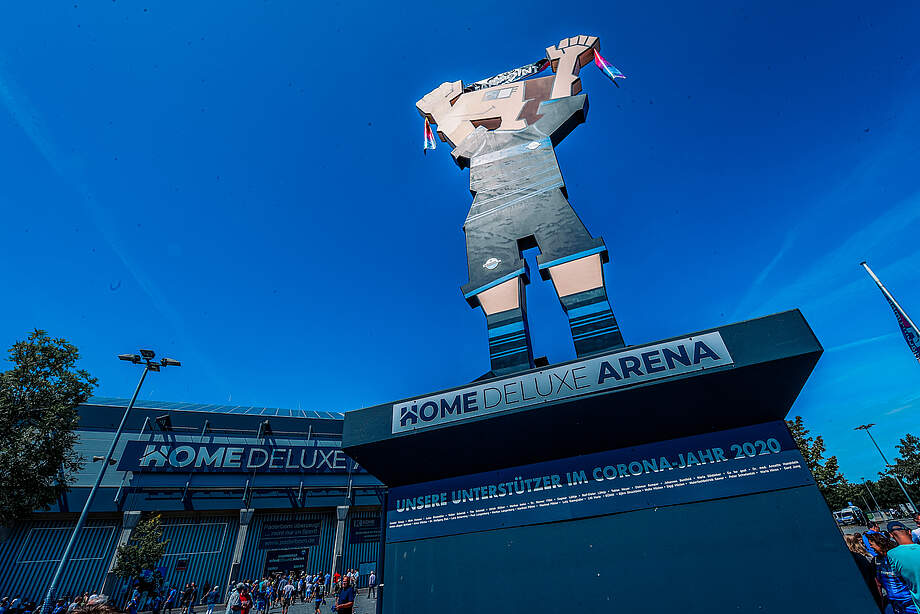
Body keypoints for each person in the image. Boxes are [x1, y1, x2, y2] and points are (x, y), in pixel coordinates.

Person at [867, 530, 917, 614]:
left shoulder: (896, 557)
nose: (870, 547)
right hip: (894, 602)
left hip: (910, 601)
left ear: (880, 543)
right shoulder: (875, 561)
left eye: (872, 544)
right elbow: (878, 584)